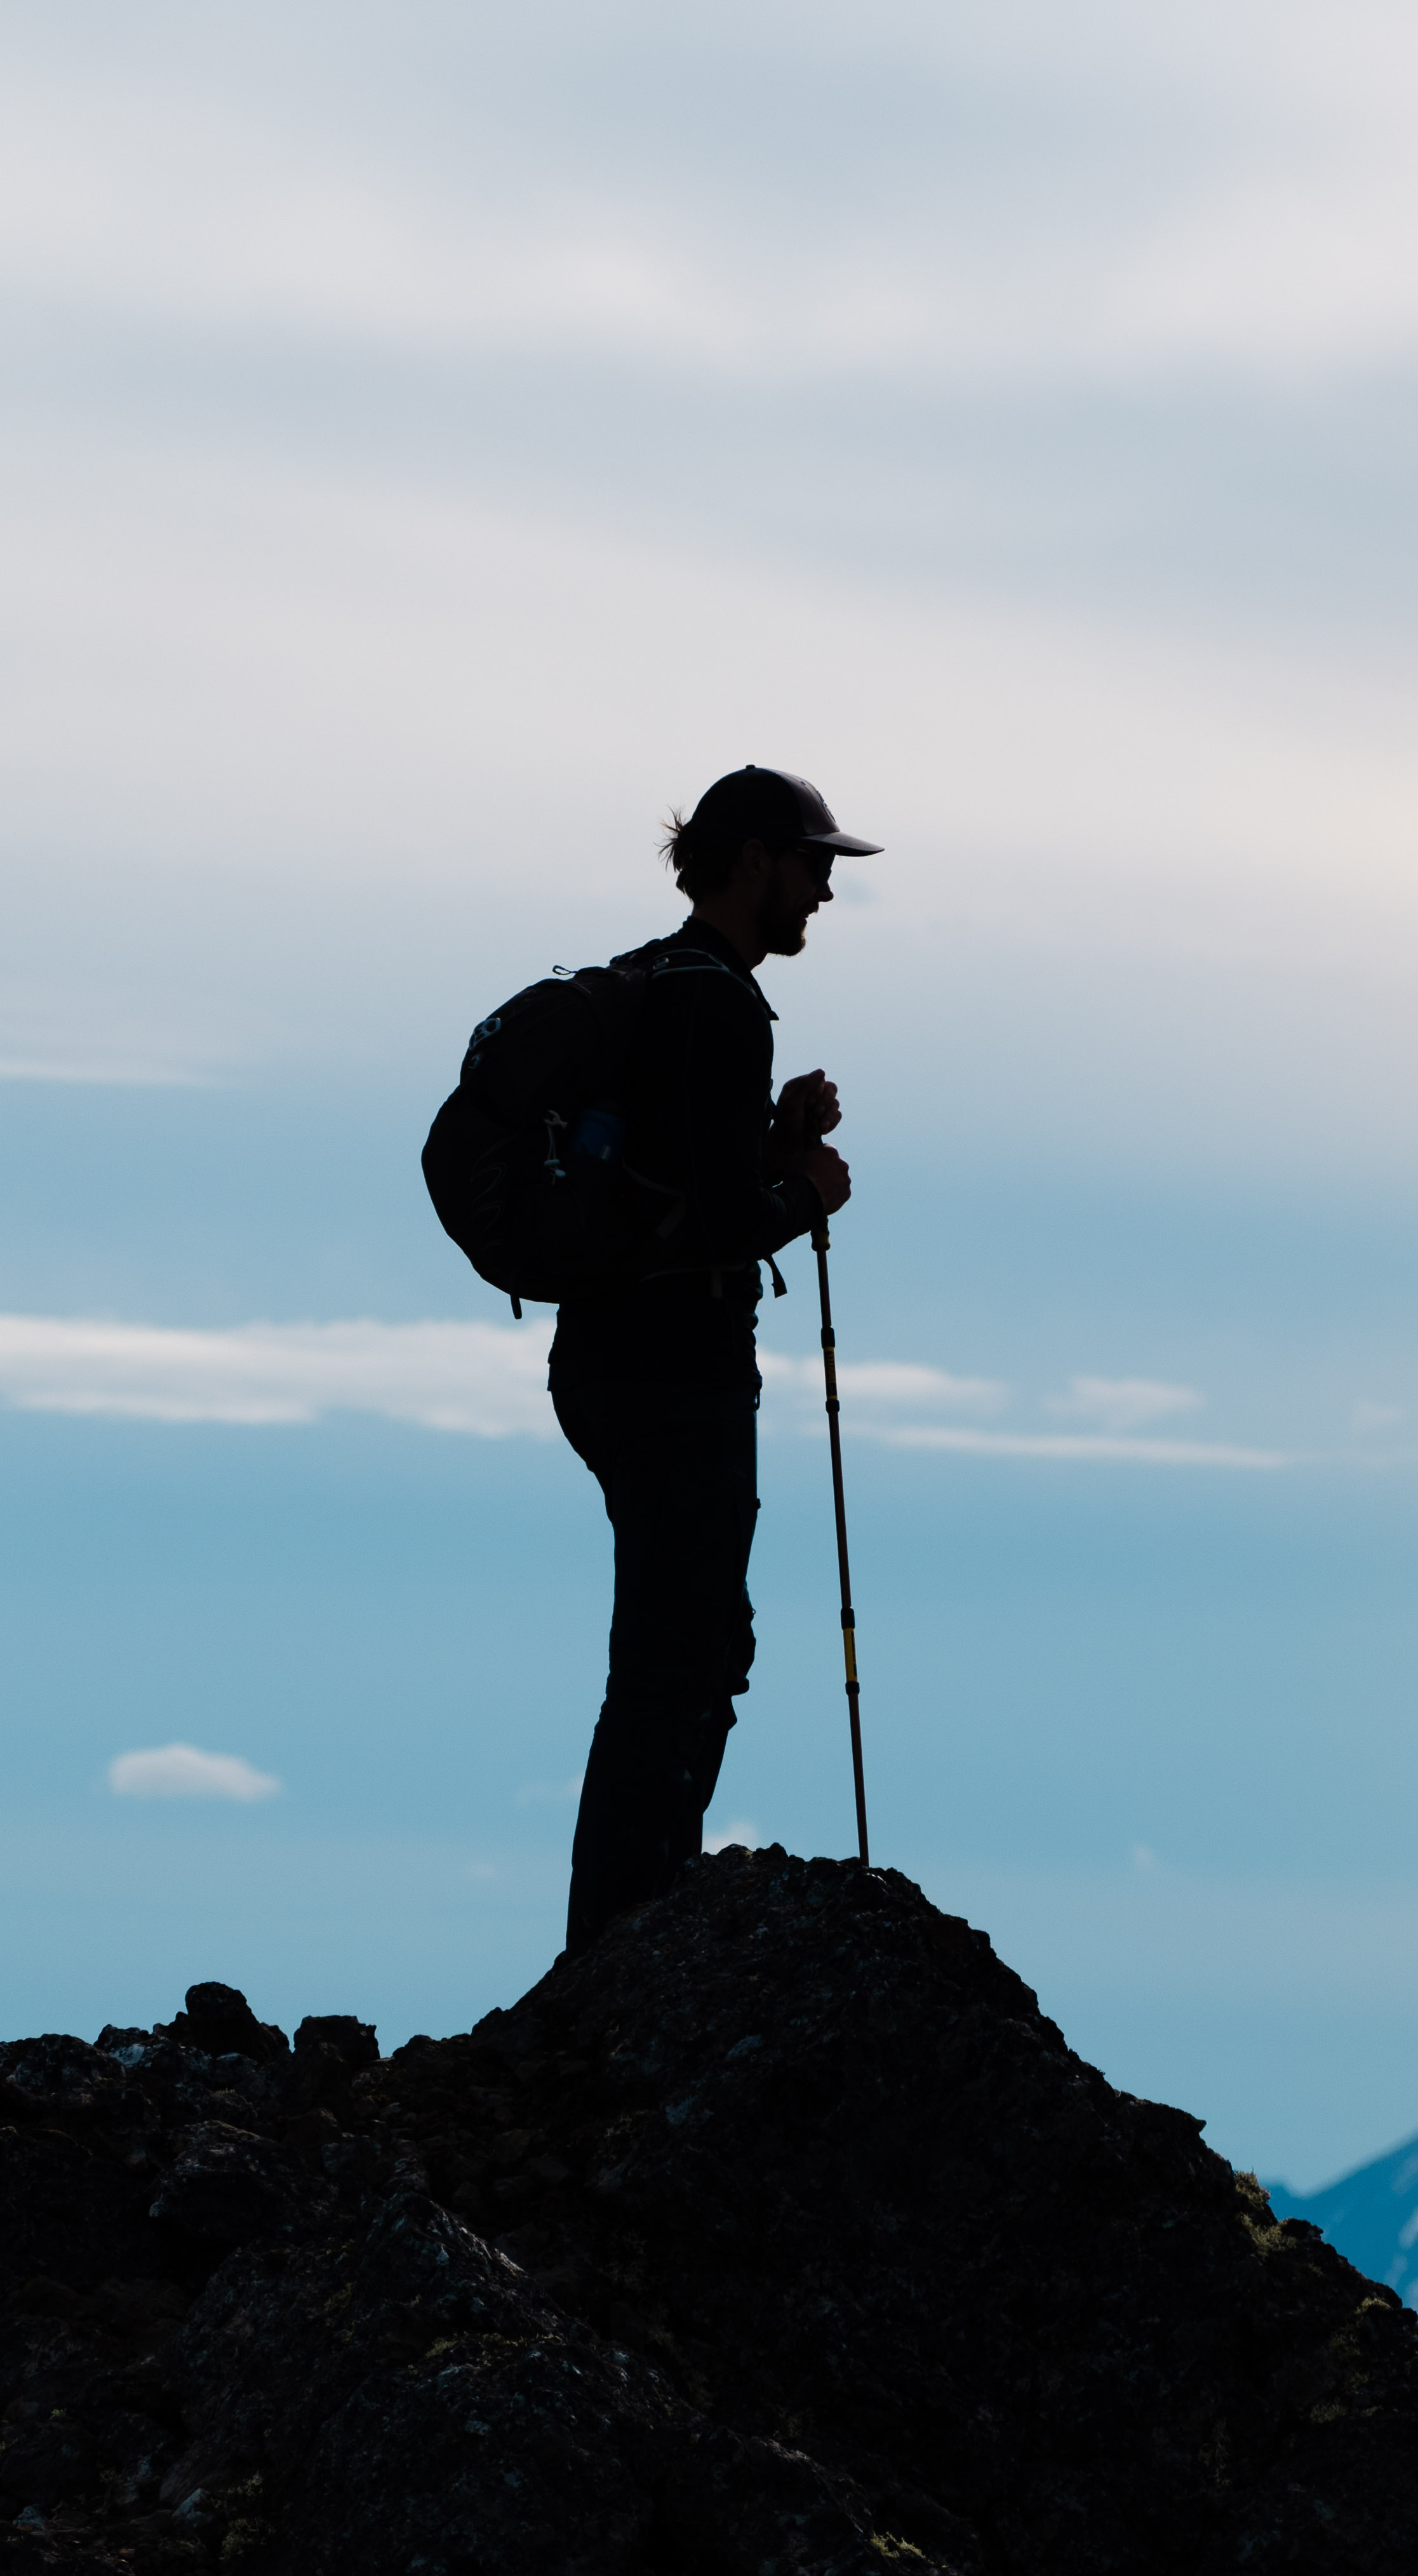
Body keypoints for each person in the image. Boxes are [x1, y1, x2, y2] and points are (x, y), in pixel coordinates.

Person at [551, 764, 874, 1952]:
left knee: (677, 1645)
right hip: (674, 1366)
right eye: (815, 865)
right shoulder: (722, 1005)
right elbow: (735, 1220)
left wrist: (774, 1144)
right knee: (680, 1653)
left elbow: (686, 1182)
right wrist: (810, 1185)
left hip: (606, 1354)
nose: (826, 894)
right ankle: (624, 1939)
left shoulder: (661, 985)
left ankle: (626, 1926)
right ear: (754, 863)